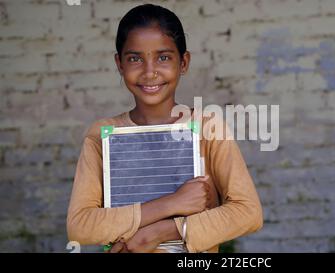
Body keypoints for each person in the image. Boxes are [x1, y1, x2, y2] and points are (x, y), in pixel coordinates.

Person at [66, 3, 263, 253]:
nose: (150, 72)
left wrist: (160, 232)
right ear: (120, 64)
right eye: (135, 58)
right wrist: (172, 203)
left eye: (163, 57)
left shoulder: (207, 128)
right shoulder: (102, 134)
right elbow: (80, 227)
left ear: (183, 62)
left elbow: (249, 213)